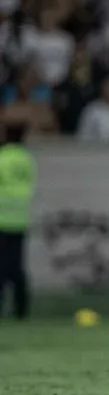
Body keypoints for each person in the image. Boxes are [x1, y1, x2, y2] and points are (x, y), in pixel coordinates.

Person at [0, 124, 36, 320]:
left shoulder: (2, 157)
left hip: (2, 219)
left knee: (1, 267)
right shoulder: (27, 159)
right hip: (20, 219)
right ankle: (21, 308)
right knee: (17, 267)